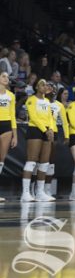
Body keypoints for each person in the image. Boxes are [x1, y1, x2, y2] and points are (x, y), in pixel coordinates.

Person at [22, 79, 58, 202]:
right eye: (42, 84)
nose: (45, 86)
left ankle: (40, 192)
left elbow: (51, 118)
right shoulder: (31, 100)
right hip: (35, 130)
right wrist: (45, 130)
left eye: (46, 84)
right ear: (37, 87)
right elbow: (34, 117)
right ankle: (25, 193)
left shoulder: (47, 101)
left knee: (44, 163)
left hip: (47, 131)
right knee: (31, 162)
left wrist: (51, 129)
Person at [45, 86, 69, 198]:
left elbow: (64, 122)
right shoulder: (41, 101)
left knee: (51, 162)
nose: (52, 91)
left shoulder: (59, 105)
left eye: (54, 89)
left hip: (53, 132)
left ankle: (47, 189)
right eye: (50, 89)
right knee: (38, 162)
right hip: (41, 130)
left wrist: (67, 136)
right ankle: (34, 188)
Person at [0, 71, 17, 203]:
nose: (6, 78)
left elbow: (13, 116)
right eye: (3, 76)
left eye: (7, 76)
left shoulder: (11, 95)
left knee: (1, 159)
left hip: (7, 127)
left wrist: (15, 136)